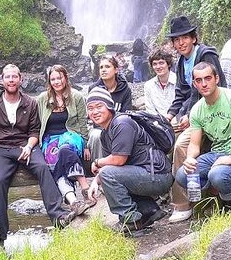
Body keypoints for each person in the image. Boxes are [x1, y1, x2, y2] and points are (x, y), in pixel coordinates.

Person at [0, 64, 77, 247]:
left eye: (14, 77)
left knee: (43, 168)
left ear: (21, 80)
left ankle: (59, 216)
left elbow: (35, 131)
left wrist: (28, 146)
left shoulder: (30, 102)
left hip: (25, 145)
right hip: (0, 148)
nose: (11, 80)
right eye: (7, 77)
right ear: (1, 80)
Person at [163, 15, 227, 223]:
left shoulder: (206, 56)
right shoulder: (182, 62)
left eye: (184, 38)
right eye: (176, 40)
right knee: (165, 137)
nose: (180, 43)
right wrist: (172, 114)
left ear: (193, 38)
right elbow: (182, 94)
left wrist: (191, 116)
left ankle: (183, 203)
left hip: (213, 115)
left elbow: (220, 88)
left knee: (182, 145)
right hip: (193, 115)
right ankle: (170, 191)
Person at [174, 62, 231, 213]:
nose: (204, 84)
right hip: (215, 156)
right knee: (183, 175)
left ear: (216, 78)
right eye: (199, 80)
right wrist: (190, 158)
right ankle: (217, 194)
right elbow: (194, 145)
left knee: (217, 175)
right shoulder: (197, 109)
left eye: (208, 78)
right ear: (194, 84)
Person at [86, 87, 173, 235]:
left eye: (99, 106)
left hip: (158, 175)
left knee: (108, 174)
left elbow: (118, 160)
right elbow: (113, 164)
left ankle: (131, 221)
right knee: (107, 175)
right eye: (90, 108)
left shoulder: (122, 123)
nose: (95, 112)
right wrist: (95, 181)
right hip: (144, 174)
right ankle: (149, 211)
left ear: (109, 106)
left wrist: (97, 162)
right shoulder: (105, 134)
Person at [36, 65, 96, 213]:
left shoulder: (76, 96)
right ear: (49, 82)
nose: (56, 82)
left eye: (59, 78)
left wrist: (86, 145)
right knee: (52, 160)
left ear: (66, 78)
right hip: (50, 138)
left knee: (65, 149)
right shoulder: (42, 99)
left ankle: (84, 188)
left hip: (72, 134)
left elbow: (83, 122)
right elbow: (36, 122)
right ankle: (73, 201)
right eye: (53, 79)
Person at [88, 55, 133, 160]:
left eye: (107, 67)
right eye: (101, 67)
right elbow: (92, 114)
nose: (103, 70)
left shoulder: (125, 89)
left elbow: (127, 114)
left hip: (119, 128)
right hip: (99, 127)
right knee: (97, 135)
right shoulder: (93, 89)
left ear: (116, 69)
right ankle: (99, 168)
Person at [143, 49, 177, 118]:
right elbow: (150, 110)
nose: (158, 67)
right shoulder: (148, 86)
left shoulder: (178, 81)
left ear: (168, 64)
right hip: (158, 123)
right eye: (155, 64)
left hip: (178, 121)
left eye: (161, 63)